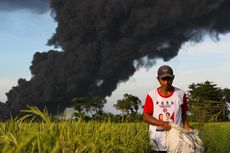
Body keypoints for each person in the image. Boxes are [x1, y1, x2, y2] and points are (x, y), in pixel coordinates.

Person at [143, 65, 192, 152]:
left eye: (169, 79)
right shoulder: (152, 95)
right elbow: (146, 117)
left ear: (173, 78)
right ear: (158, 79)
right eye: (163, 79)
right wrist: (162, 124)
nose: (166, 82)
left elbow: (183, 112)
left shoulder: (180, 94)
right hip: (157, 140)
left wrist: (186, 124)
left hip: (176, 139)